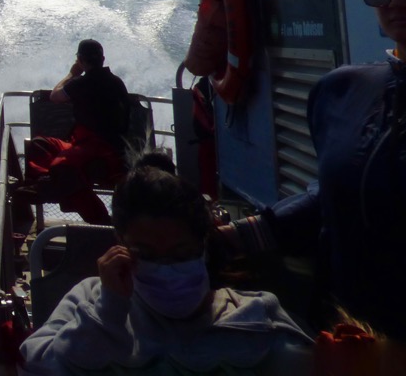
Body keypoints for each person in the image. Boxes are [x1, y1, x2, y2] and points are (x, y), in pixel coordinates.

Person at [220, 0, 406, 342]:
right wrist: (234, 237)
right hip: (346, 335)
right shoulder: (340, 92)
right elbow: (333, 199)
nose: (394, 3)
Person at [18, 153, 313, 376]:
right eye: (146, 254)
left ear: (203, 244)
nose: (166, 268)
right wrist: (108, 311)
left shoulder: (258, 317)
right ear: (121, 244)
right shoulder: (91, 298)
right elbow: (41, 365)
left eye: (181, 253)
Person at [19, 39, 130, 224]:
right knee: (41, 144)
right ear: (103, 58)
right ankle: (47, 183)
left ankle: (101, 221)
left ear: (80, 59)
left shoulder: (81, 82)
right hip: (97, 145)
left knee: (63, 170)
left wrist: (72, 72)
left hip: (100, 148)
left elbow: (56, 96)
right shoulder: (117, 82)